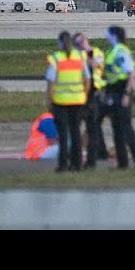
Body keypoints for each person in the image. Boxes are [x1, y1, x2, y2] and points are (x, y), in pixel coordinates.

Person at [102, 26, 135, 169]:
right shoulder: (111, 51)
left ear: (114, 35)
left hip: (121, 91)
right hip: (112, 91)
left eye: (108, 33)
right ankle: (122, 163)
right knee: (116, 128)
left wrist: (127, 94)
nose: (106, 35)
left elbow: (132, 73)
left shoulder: (120, 51)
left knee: (126, 129)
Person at [45, 31, 90, 172]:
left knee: (63, 135)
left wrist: (50, 100)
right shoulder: (80, 57)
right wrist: (84, 94)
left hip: (60, 101)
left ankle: (63, 164)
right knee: (76, 133)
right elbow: (87, 79)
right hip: (78, 100)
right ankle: (77, 165)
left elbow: (51, 82)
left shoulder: (57, 58)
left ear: (60, 43)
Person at [73, 32, 109, 168]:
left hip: (96, 92)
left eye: (83, 41)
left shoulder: (96, 52)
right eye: (78, 42)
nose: (81, 44)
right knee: (92, 125)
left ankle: (99, 153)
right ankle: (99, 152)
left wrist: (86, 53)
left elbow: (96, 65)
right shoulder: (74, 55)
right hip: (80, 94)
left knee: (94, 124)